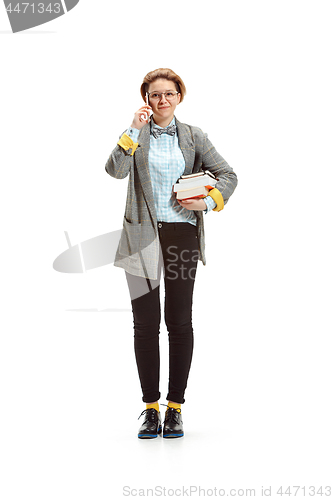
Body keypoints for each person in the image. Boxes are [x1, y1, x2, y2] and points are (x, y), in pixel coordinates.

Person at [105, 68, 237, 439]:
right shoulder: (137, 136)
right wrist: (132, 129)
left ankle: (175, 408)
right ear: (146, 100)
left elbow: (228, 174)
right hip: (141, 237)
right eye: (154, 95)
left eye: (168, 94)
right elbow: (114, 170)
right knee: (145, 324)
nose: (161, 101)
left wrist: (208, 201)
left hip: (182, 235)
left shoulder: (194, 136)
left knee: (178, 321)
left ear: (180, 96)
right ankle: (150, 408)